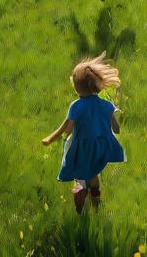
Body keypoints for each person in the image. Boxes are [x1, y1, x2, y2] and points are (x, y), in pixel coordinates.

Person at [41, 53, 125, 214]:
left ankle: (80, 192)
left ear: (79, 87)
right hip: (99, 147)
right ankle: (95, 199)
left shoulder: (76, 106)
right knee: (93, 172)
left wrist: (52, 138)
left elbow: (66, 127)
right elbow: (116, 128)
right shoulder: (106, 105)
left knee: (80, 171)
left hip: (81, 146)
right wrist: (113, 122)